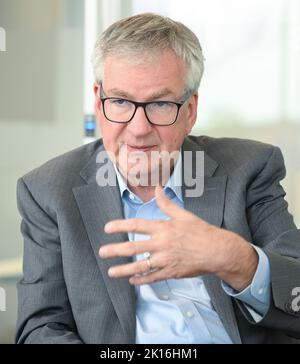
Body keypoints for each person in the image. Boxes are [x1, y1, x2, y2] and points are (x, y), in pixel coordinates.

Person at [16, 13, 300, 344]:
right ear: (98, 101)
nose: (138, 129)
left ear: (190, 110)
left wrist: (235, 259)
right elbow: (40, 328)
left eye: (161, 104)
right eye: (121, 101)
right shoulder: (49, 191)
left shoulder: (249, 169)